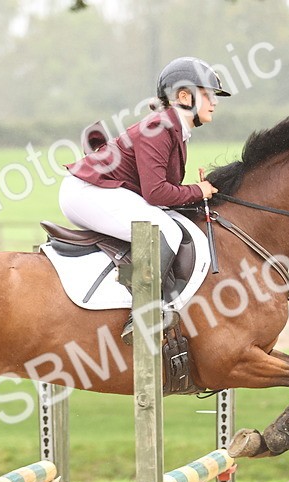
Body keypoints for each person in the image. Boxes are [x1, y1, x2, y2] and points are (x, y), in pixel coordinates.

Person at [59, 57, 231, 342]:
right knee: (164, 231)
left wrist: (195, 192)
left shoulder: (173, 129)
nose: (214, 102)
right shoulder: (160, 127)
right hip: (86, 192)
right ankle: (142, 315)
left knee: (170, 223)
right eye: (208, 94)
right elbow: (156, 193)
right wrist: (197, 191)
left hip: (98, 190)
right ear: (184, 96)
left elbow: (161, 191)